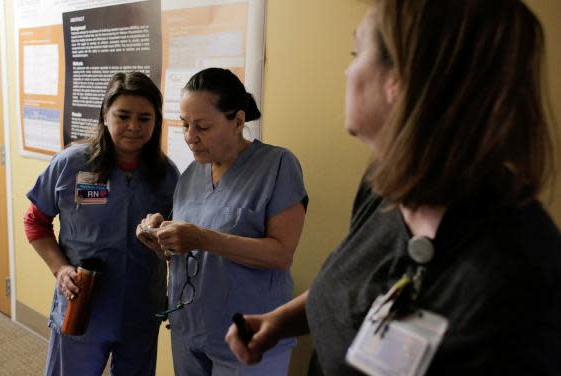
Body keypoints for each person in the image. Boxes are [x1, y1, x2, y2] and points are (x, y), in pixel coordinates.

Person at [225, 0, 561, 375]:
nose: (347, 71)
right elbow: (361, 288)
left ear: (399, 79)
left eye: (357, 52)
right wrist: (281, 322)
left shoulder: (513, 275)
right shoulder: (388, 184)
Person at [137, 67, 308, 375]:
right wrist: (161, 236)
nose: (190, 137)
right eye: (185, 124)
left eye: (202, 126)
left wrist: (201, 237)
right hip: (189, 330)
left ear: (238, 121)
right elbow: (185, 253)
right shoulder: (191, 174)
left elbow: (282, 253)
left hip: (248, 335)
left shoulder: (277, 166)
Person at [24, 72, 180, 375]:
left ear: (156, 121)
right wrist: (60, 268)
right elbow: (35, 222)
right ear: (105, 116)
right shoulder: (71, 164)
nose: (133, 126)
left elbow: (179, 244)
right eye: (123, 116)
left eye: (144, 118)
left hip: (141, 307)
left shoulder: (166, 175)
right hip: (82, 306)